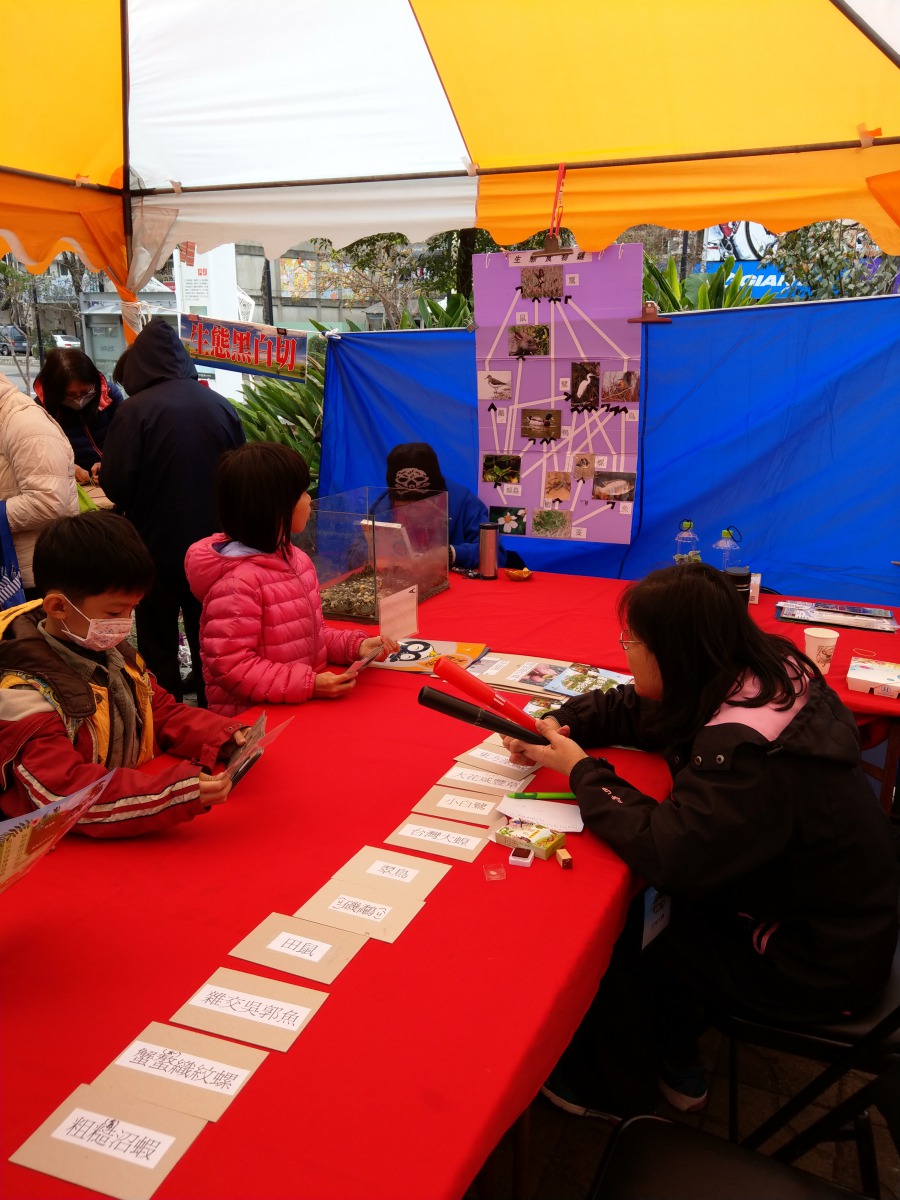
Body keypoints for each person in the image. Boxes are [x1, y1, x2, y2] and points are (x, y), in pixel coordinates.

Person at [502, 562, 898, 1118]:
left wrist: (582, 771)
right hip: (842, 912)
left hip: (816, 960)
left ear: (674, 649)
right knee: (658, 907)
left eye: (631, 642)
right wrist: (560, 719)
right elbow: (644, 710)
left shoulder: (747, 751)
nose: (624, 651)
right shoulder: (761, 671)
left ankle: (608, 1088)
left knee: (629, 923)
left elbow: (671, 851)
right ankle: (675, 1055)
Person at [0, 511, 247, 837]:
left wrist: (221, 735)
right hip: (55, 850)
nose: (125, 622)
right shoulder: (24, 695)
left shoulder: (115, 654)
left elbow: (159, 710)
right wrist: (170, 792)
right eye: (115, 612)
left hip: (124, 813)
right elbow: (64, 795)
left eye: (133, 609)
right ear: (58, 607)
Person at [185, 441, 396, 717]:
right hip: (254, 722)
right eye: (301, 493)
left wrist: (354, 646)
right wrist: (309, 684)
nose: (309, 500)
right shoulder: (237, 584)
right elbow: (232, 666)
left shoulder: (296, 559)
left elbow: (307, 634)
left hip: (295, 707)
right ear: (274, 507)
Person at [99, 317, 246, 704]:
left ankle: (165, 717)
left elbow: (117, 484)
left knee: (157, 638)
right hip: (217, 547)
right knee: (211, 633)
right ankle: (216, 711)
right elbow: (241, 472)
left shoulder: (134, 411)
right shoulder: (220, 404)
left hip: (155, 546)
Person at [0, 375, 78, 601]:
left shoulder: (23, 421)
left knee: (31, 635)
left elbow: (48, 502)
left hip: (33, 575)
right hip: (14, 568)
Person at [385, 443, 508, 571]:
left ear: (439, 493)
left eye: (420, 502)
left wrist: (451, 554)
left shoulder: (464, 503)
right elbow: (365, 547)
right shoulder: (383, 506)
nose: (412, 509)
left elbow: (495, 554)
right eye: (404, 503)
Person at [34, 348, 125, 485]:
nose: (79, 399)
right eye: (71, 395)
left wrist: (110, 462)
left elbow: (126, 437)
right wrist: (69, 468)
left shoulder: (109, 394)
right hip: (73, 485)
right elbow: (40, 456)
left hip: (111, 476)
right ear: (55, 392)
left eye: (85, 391)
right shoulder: (40, 409)